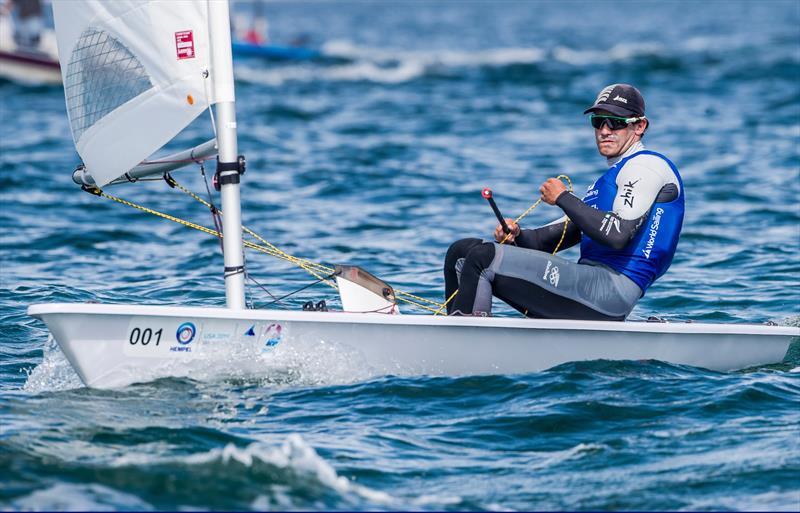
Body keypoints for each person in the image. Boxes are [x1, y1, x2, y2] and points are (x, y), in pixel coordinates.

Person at [443, 84, 684, 321]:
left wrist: (562, 198)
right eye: (598, 121)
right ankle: (455, 330)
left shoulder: (646, 166)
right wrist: (516, 235)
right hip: (587, 284)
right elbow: (544, 242)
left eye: (616, 122)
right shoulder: (605, 184)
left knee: (482, 258)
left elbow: (617, 235)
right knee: (462, 251)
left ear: (640, 126)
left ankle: (468, 346)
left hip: (611, 292)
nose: (605, 130)